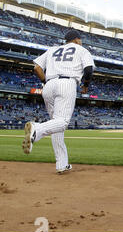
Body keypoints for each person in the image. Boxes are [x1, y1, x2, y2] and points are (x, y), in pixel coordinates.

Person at [22, 30, 95, 174]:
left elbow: (36, 67)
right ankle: (37, 129)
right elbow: (88, 69)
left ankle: (62, 164)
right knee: (62, 122)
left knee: (56, 125)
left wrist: (45, 82)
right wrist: (86, 85)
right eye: (80, 39)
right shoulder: (81, 49)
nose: (81, 42)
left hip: (49, 85)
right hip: (66, 83)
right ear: (76, 40)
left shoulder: (52, 49)